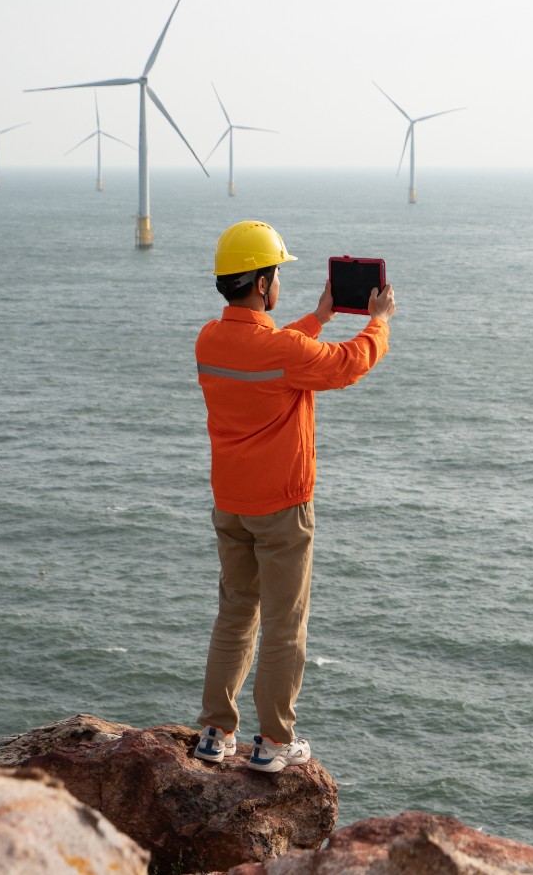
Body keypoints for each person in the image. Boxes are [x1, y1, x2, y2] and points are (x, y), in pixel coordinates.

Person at [191, 220, 395, 772]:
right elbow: (346, 364)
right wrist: (377, 323)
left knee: (235, 613)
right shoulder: (280, 352)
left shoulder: (209, 339)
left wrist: (320, 317)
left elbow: (280, 352)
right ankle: (274, 743)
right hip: (281, 506)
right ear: (261, 283)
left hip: (230, 502)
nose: (278, 281)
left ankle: (215, 733)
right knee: (284, 622)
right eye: (276, 272)